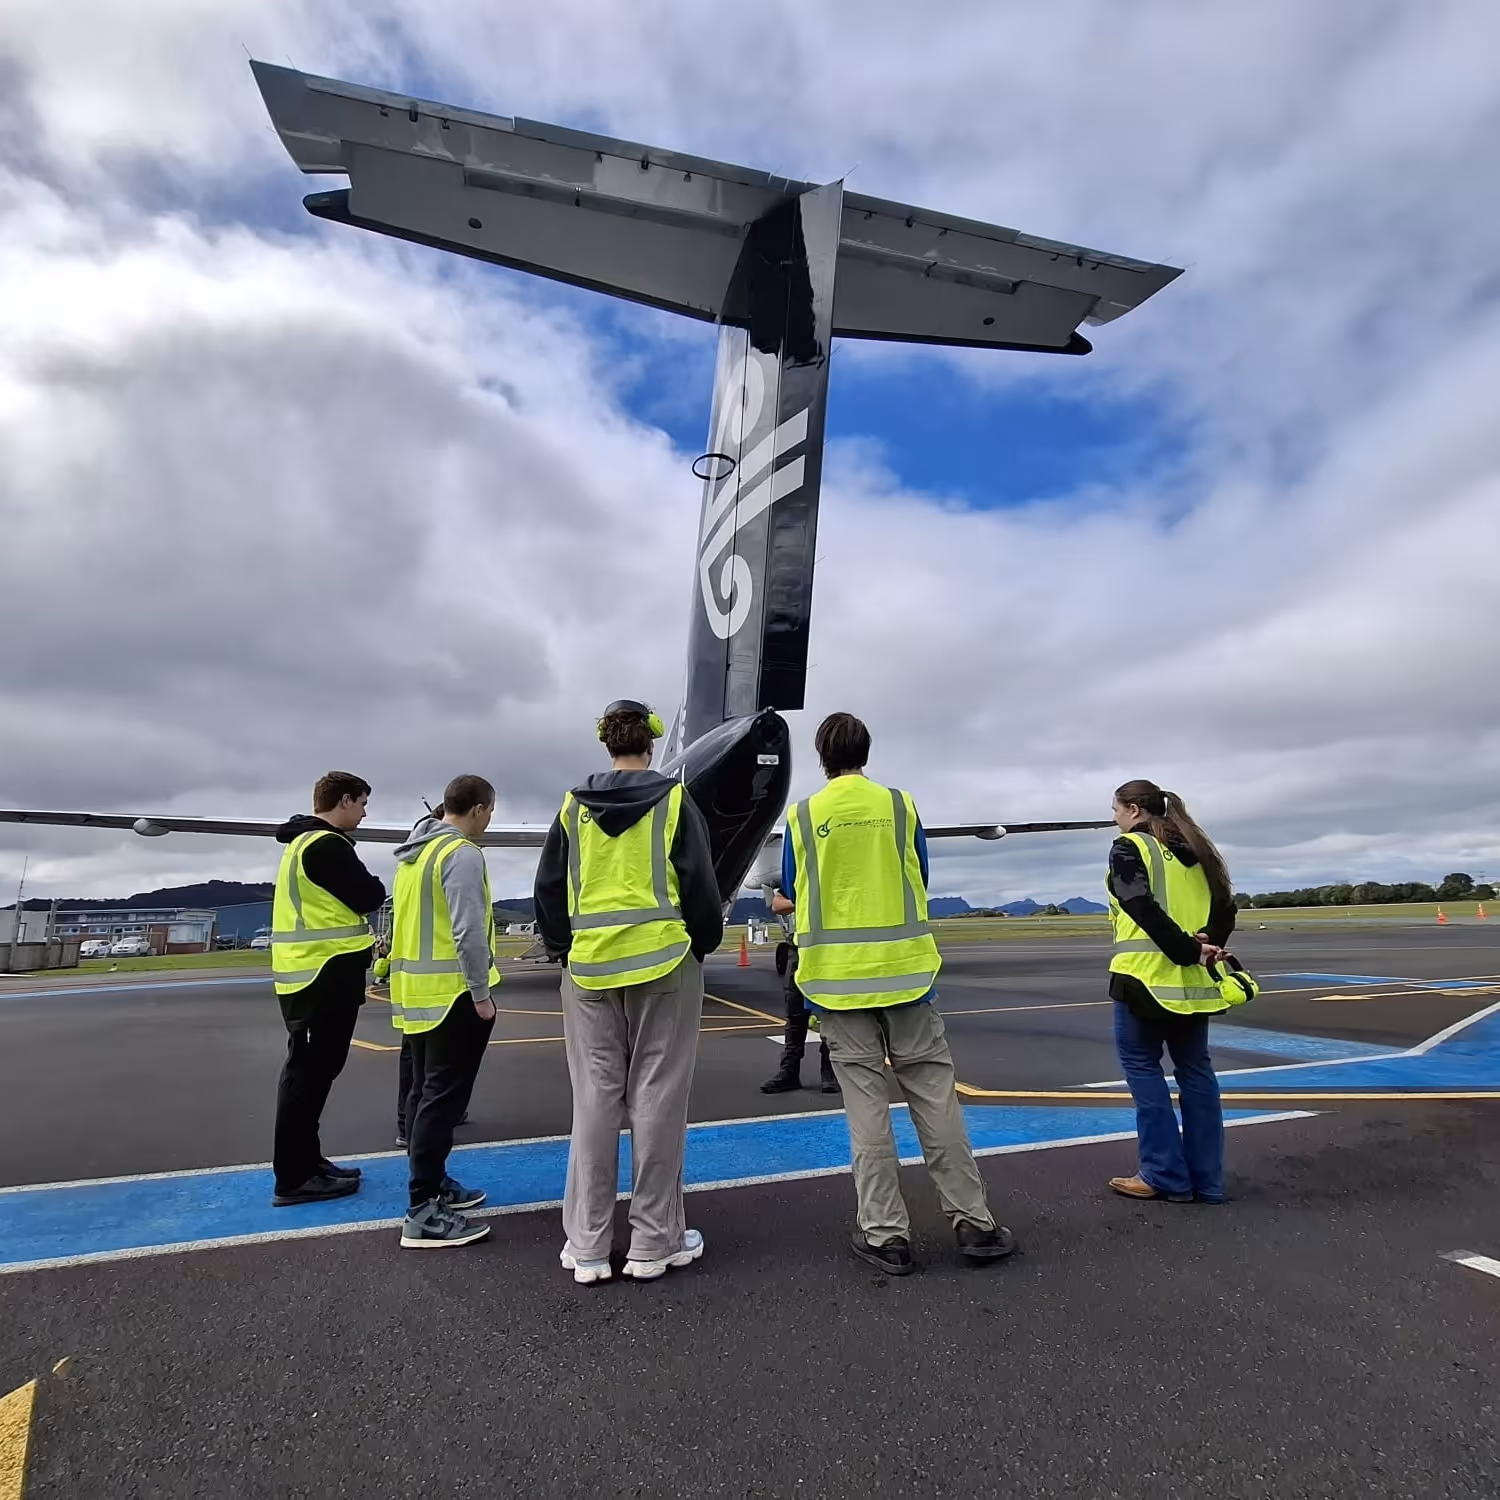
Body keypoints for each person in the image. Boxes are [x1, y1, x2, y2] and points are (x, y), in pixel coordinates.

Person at [780, 712, 1015, 1275]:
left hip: (837, 984)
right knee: (936, 1098)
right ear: (866, 751)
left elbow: (792, 886)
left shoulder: (803, 815)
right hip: (907, 976)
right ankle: (974, 1223)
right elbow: (921, 875)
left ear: (821, 756)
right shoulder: (900, 806)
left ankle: (886, 1234)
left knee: (866, 1109)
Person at [533, 699, 723, 1285]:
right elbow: (699, 882)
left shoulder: (572, 805)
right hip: (663, 966)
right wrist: (700, 944)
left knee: (593, 1100)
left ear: (607, 743)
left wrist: (566, 950)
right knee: (658, 1098)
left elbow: (548, 887)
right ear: (652, 742)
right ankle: (653, 1240)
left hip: (589, 971)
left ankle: (587, 1244)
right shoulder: (672, 800)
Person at [1105, 779, 1238, 1205]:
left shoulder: (1131, 848)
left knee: (1143, 1070)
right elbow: (1226, 907)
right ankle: (1208, 1181)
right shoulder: (1199, 851)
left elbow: (1138, 904)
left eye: (1116, 810)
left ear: (1133, 811)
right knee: (1196, 1073)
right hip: (1194, 985)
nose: (1114, 818)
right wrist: (1207, 945)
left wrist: (1186, 951)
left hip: (1144, 979)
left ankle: (1163, 1174)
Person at [389, 776, 501, 1249]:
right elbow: (468, 930)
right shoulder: (461, 854)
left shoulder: (414, 855)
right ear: (476, 809)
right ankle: (421, 1210)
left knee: (422, 1093)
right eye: (490, 812)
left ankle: (432, 1184)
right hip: (454, 995)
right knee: (442, 1100)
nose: (490, 821)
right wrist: (480, 993)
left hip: (416, 993)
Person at [270, 771, 386, 1207]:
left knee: (313, 1073)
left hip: (313, 975)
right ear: (343, 801)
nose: (364, 812)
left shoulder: (303, 843)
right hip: (320, 976)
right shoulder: (325, 846)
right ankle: (295, 1177)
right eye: (361, 803)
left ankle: (308, 1161)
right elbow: (370, 894)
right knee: (307, 1074)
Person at [760, 941, 839, 1095]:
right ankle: (789, 1071)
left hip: (830, 951)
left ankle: (829, 1072)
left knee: (830, 1012)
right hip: (800, 950)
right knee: (795, 1014)